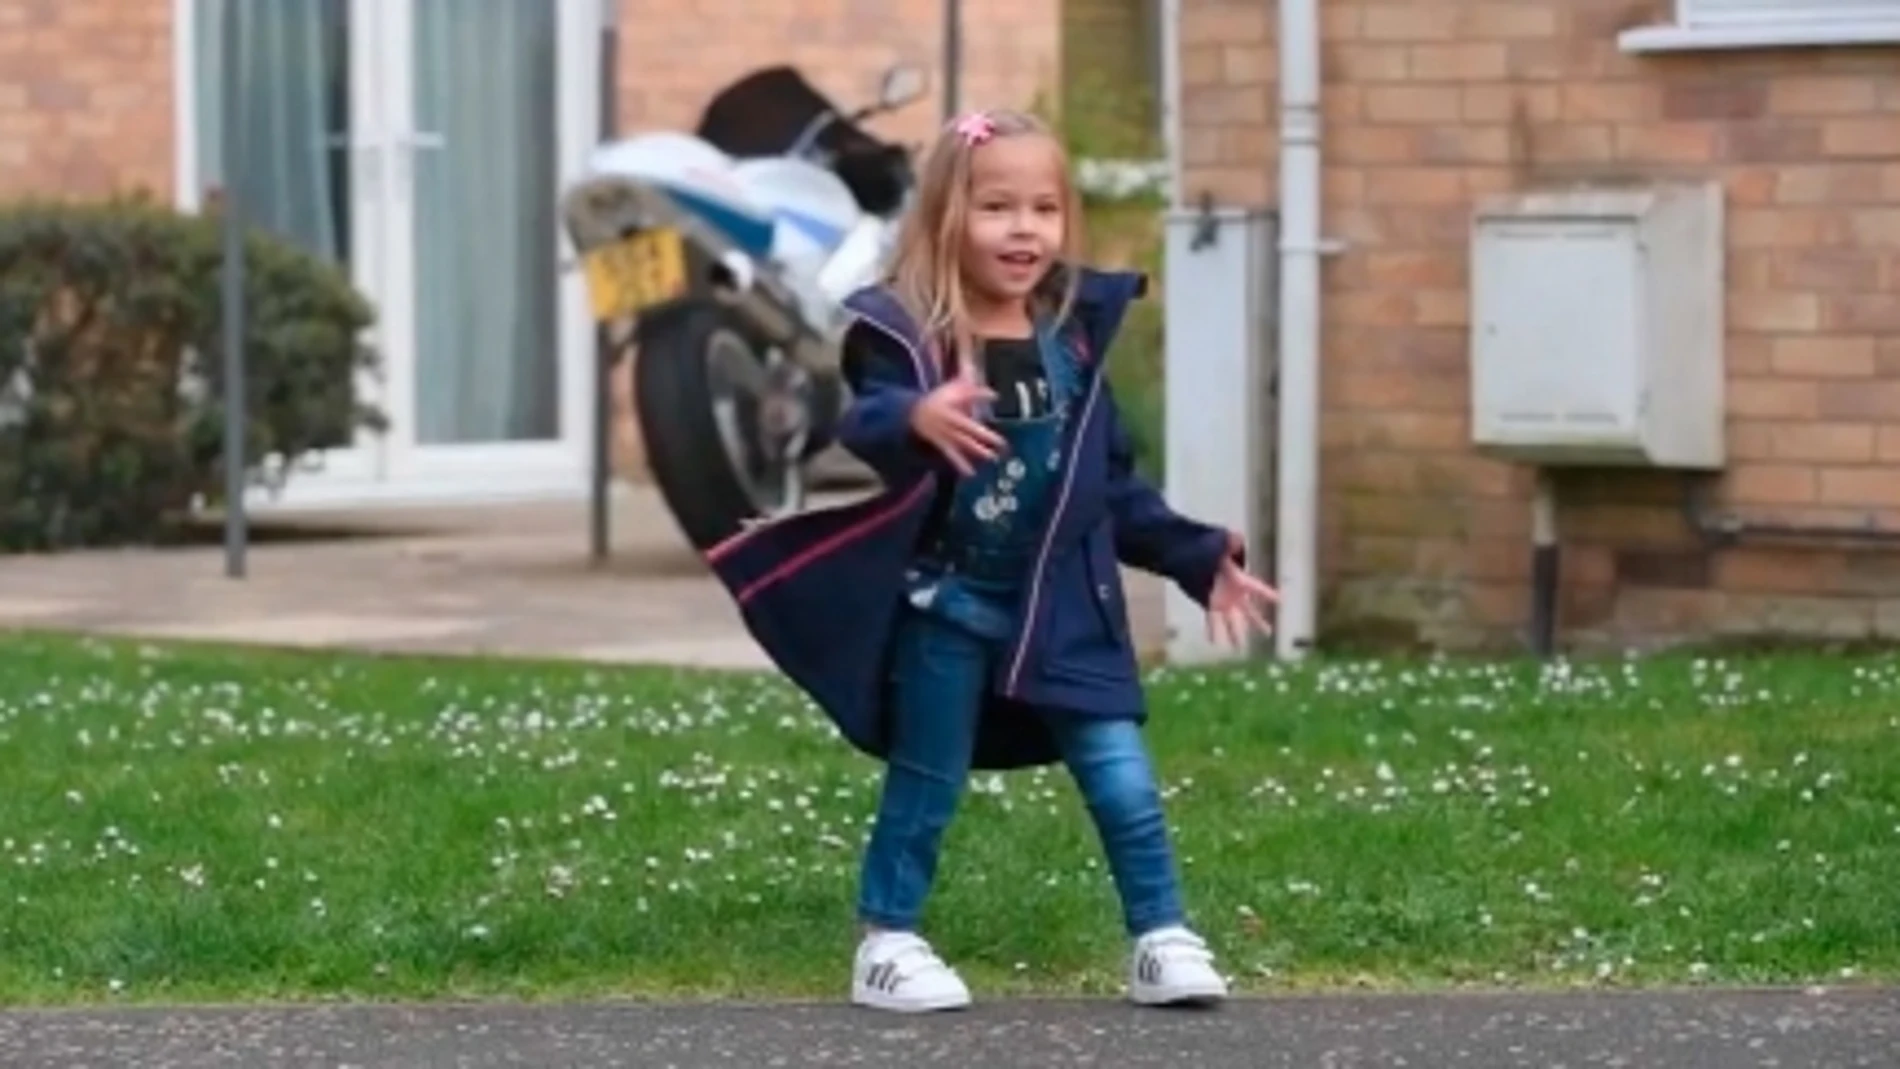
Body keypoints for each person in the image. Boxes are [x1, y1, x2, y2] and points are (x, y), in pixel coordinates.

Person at [703, 108, 1278, 1014]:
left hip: (1070, 608)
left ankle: (1161, 935)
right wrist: (918, 418)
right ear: (945, 220)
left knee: (1123, 777)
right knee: (927, 779)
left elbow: (1112, 490)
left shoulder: (1075, 342)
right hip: (951, 604)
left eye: (1044, 208)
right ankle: (887, 941)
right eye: (997, 207)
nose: (1025, 229)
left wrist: (1198, 556)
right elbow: (863, 421)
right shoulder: (912, 339)